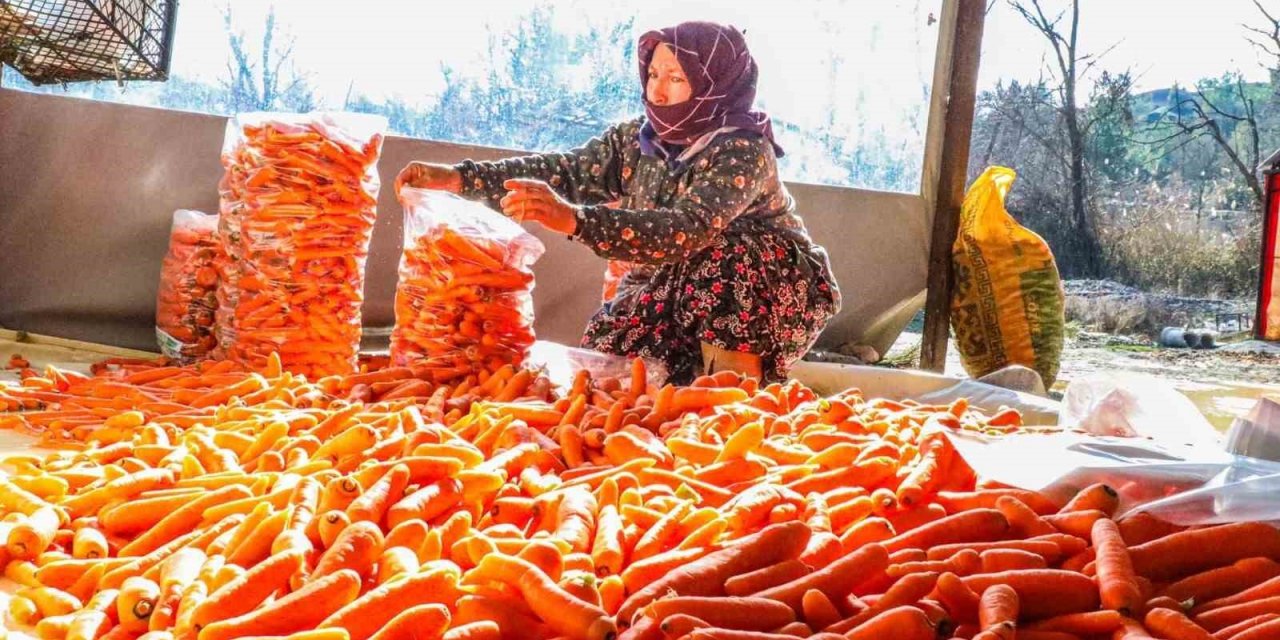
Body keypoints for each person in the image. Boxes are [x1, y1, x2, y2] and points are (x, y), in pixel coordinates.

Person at [396, 21, 840, 384]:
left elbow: (685, 229)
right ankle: (682, 412)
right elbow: (565, 171)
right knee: (613, 365)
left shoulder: (741, 148)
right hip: (671, 280)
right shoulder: (635, 141)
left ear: (714, 84)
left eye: (676, 77)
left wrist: (574, 220)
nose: (658, 91)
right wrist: (459, 177)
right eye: (653, 74)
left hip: (771, 284)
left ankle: (737, 403)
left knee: (725, 257)